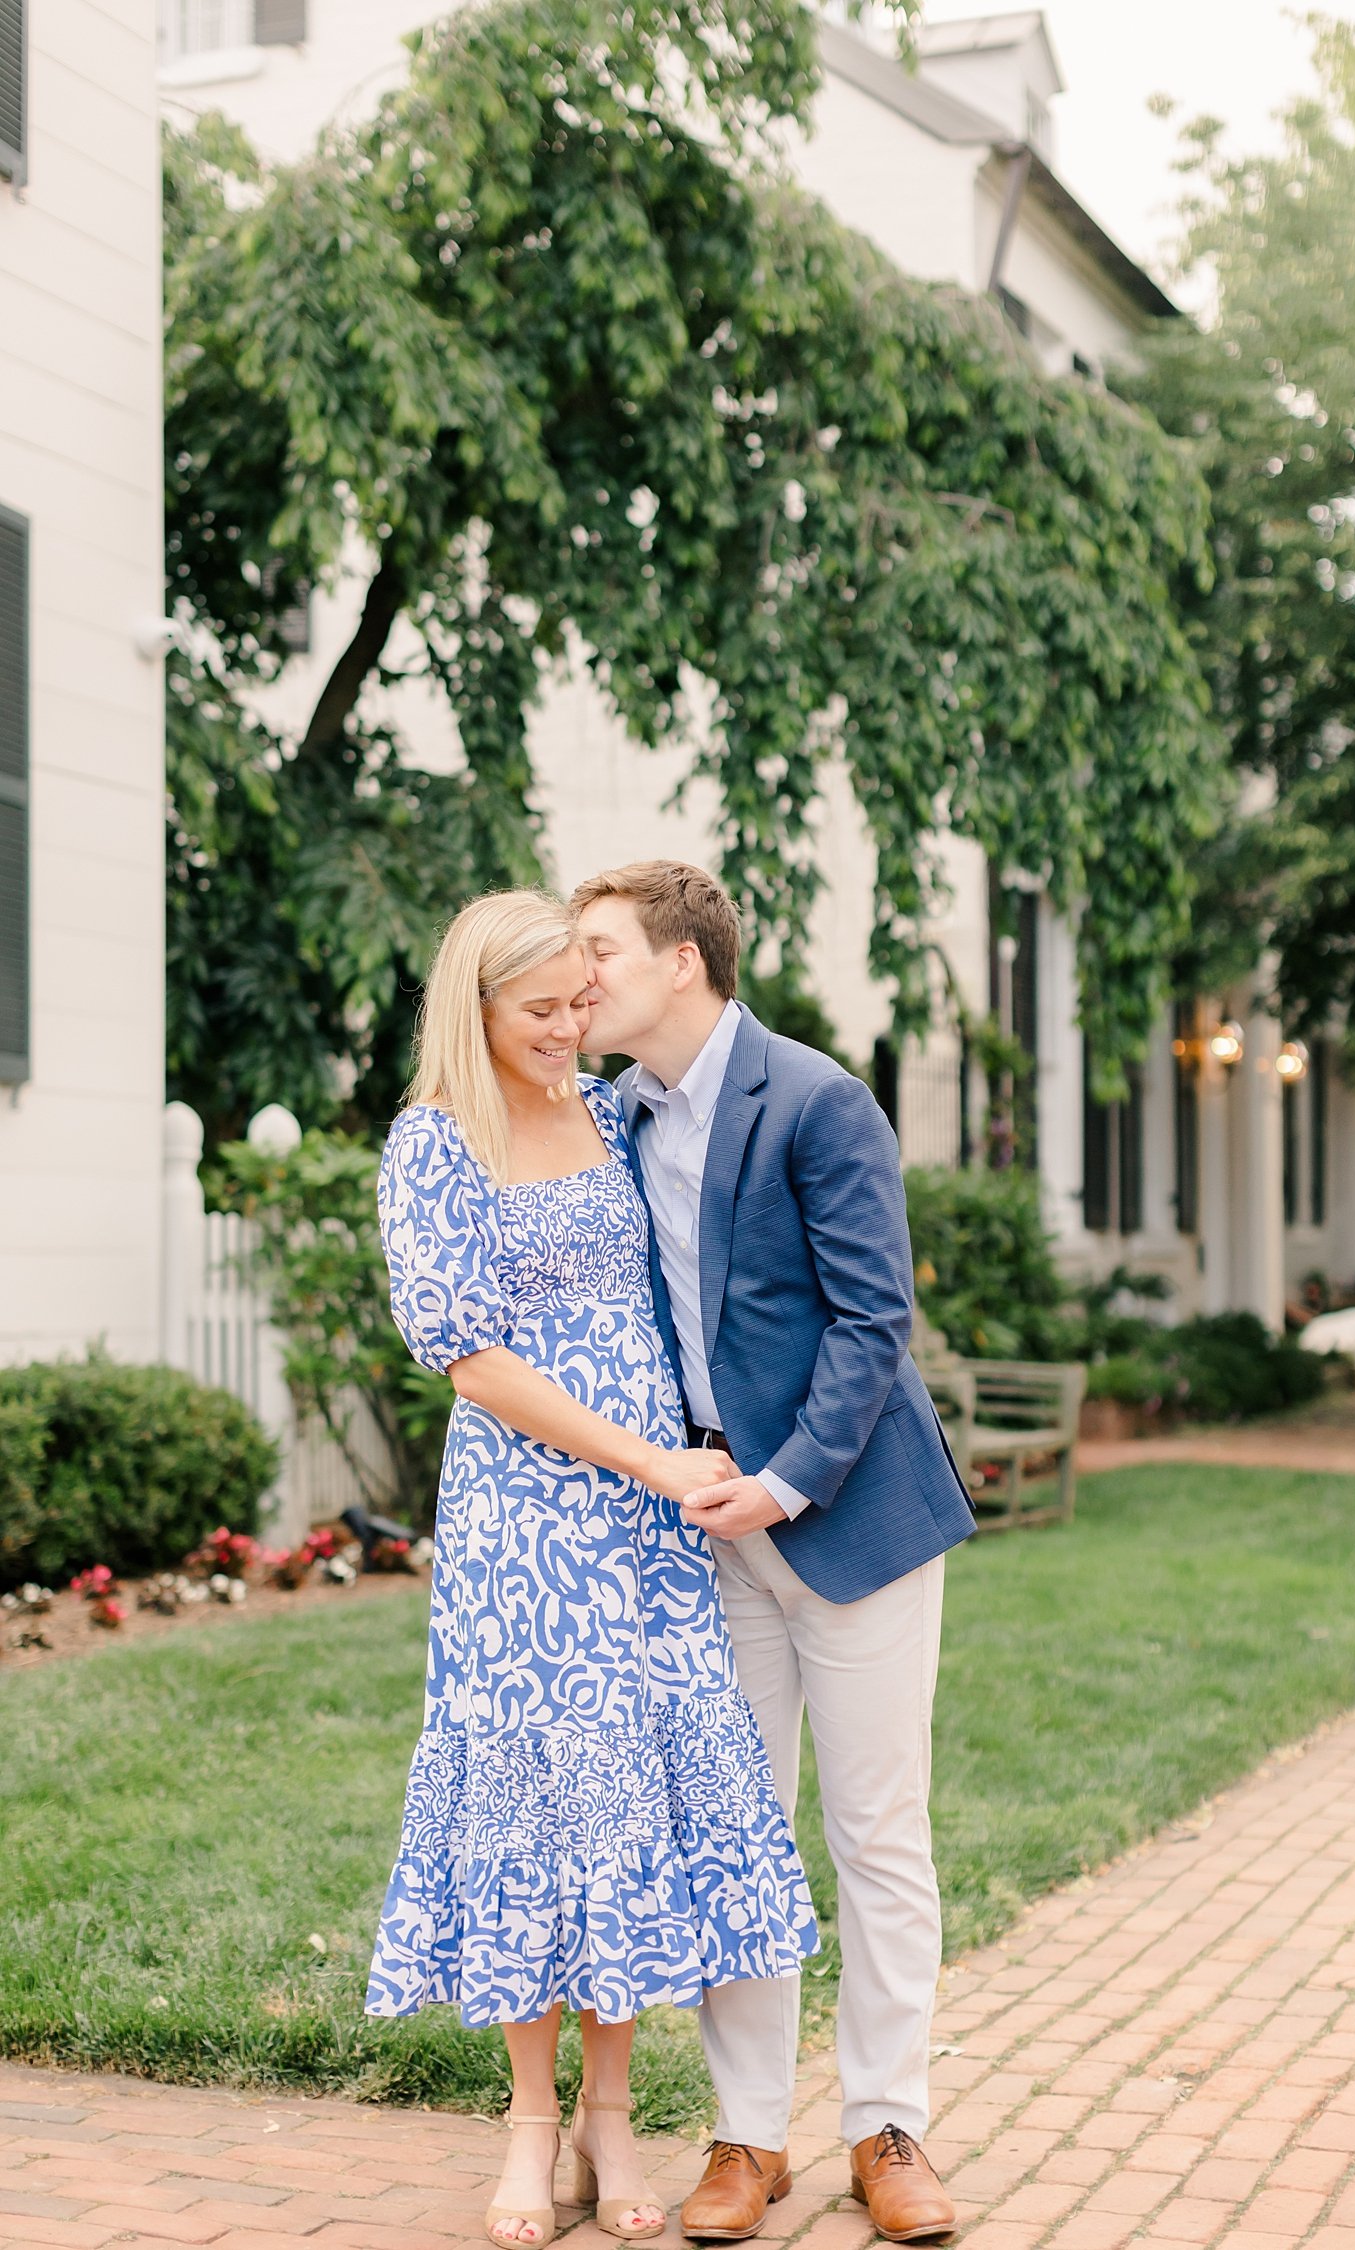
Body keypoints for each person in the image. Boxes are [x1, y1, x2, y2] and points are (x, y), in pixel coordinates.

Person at [365, 889, 818, 2250]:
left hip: (649, 1530)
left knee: (627, 1801)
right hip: (529, 1527)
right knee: (533, 1796)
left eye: (580, 1001)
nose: (572, 1031)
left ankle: (610, 2115)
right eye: (542, 1011)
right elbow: (473, 1358)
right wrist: (645, 1457)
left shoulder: (616, 1114)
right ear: (478, 1008)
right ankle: (525, 2116)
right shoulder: (434, 1141)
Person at [576, 862, 975, 2247]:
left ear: (684, 962)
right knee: (735, 1838)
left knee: (874, 1833)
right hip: (704, 1534)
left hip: (850, 1516)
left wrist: (790, 1480)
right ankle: (749, 2133)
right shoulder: (609, 1117)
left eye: (603, 950)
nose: (582, 975)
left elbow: (875, 1322)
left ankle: (889, 2123)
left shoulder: (814, 1098)